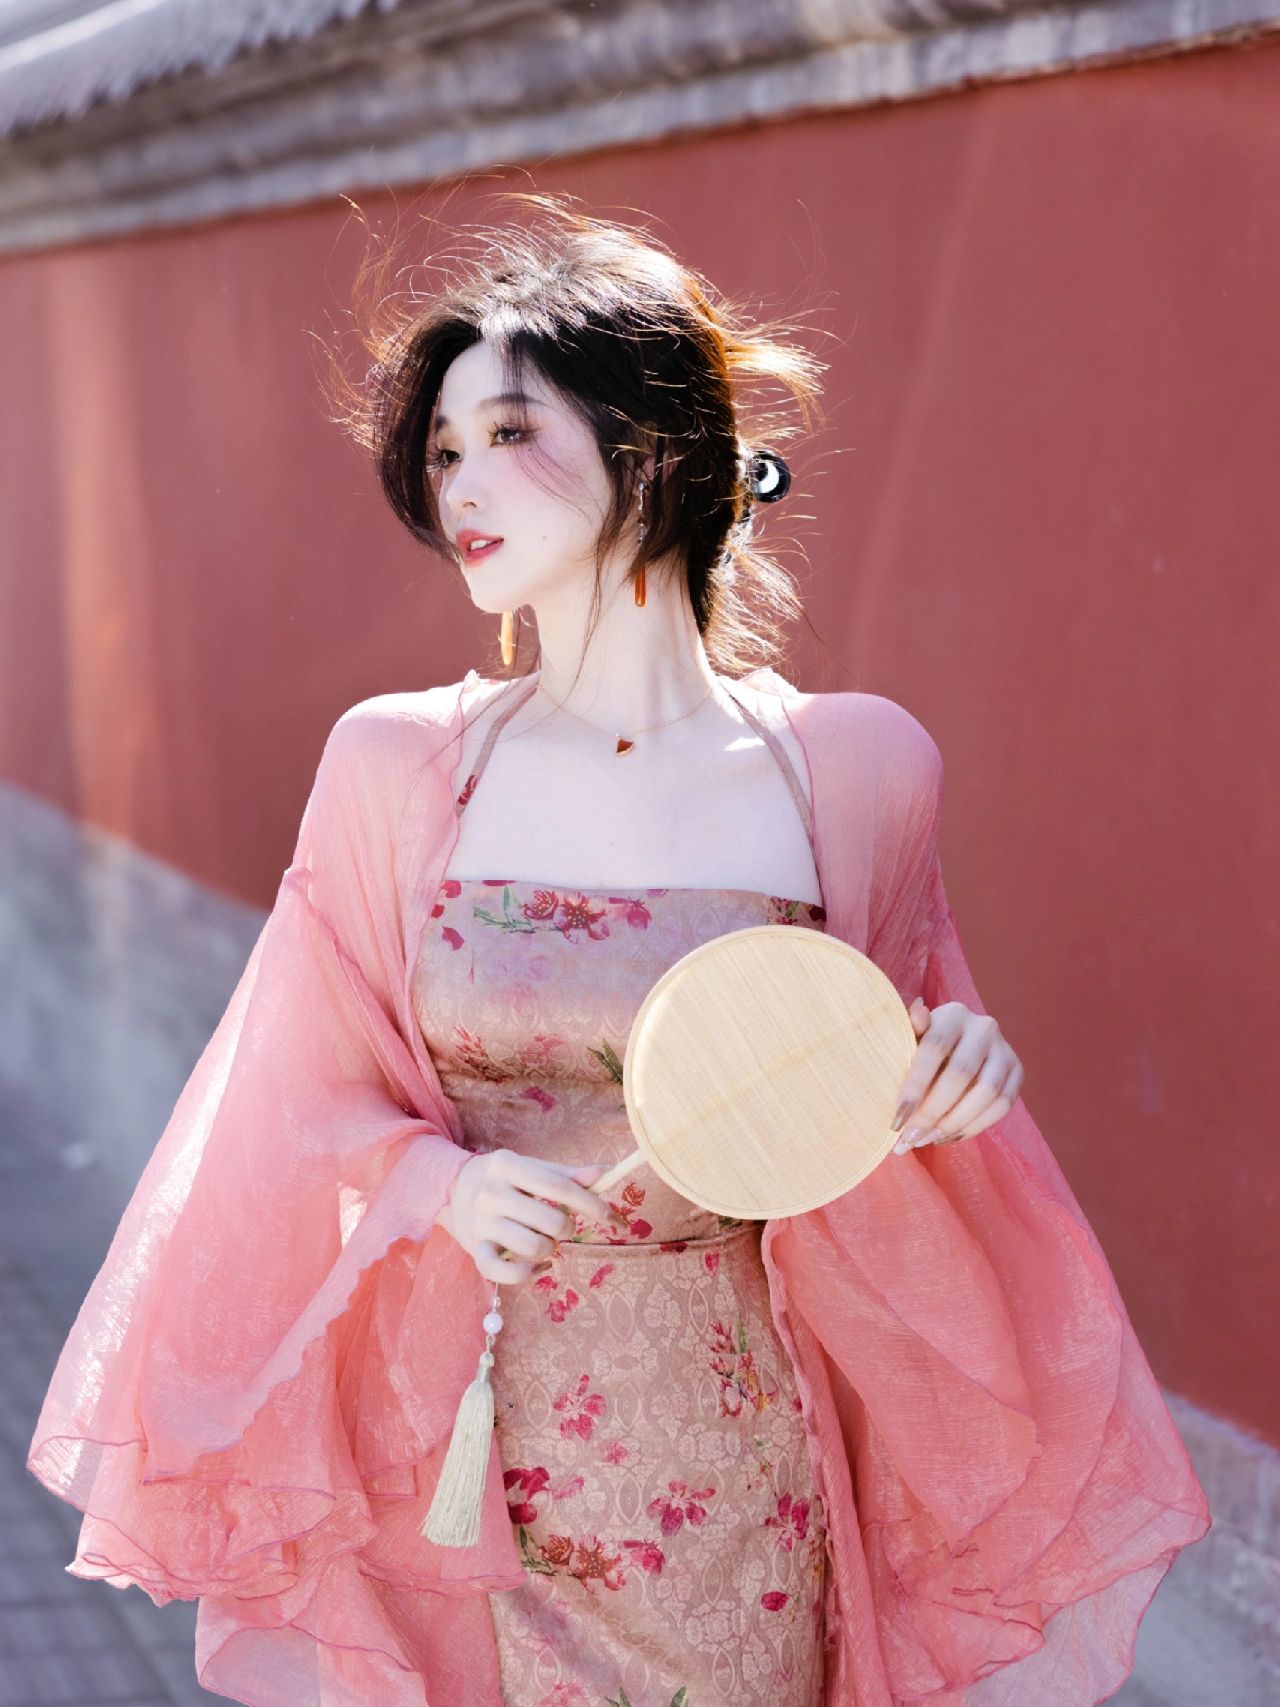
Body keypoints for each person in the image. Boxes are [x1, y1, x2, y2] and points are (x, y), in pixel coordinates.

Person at [27, 193, 1209, 1707]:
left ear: (649, 451)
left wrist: (946, 1071)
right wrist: (440, 1183)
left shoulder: (853, 771)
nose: (461, 483)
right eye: (443, 451)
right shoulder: (404, 767)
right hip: (463, 1449)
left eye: (509, 434)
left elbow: (847, 1094)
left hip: (733, 1458)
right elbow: (289, 1099)